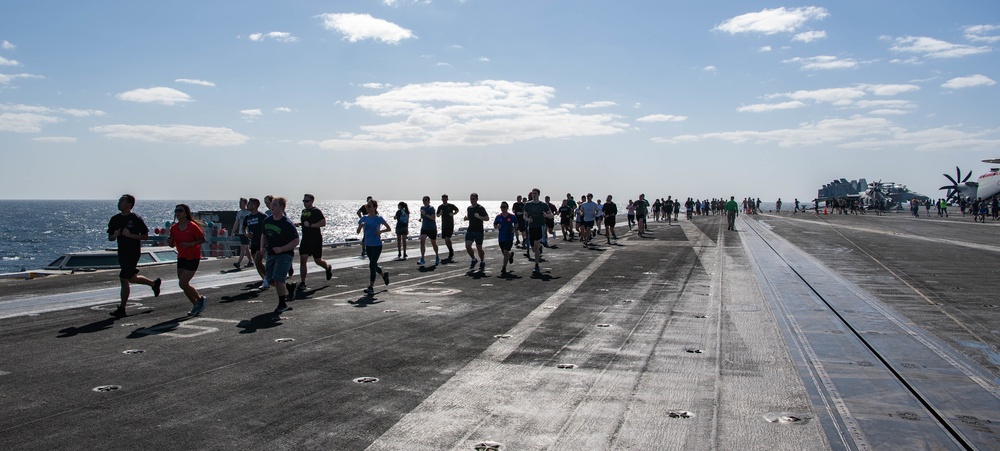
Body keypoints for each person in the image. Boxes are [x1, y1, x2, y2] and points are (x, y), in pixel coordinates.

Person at [106, 194, 161, 318]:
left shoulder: (135, 218)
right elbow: (110, 238)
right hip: (122, 252)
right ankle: (154, 284)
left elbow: (145, 236)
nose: (118, 203)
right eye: (119, 201)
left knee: (123, 278)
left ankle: (122, 308)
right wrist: (114, 235)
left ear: (129, 205)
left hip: (133, 252)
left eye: (121, 201)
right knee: (131, 278)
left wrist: (130, 235)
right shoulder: (115, 219)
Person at [261, 196, 299, 313]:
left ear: (282, 207)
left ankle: (282, 304)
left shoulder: (287, 223)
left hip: (284, 255)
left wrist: (282, 249)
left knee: (278, 278)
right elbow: (264, 235)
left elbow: (296, 241)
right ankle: (288, 287)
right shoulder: (267, 221)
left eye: (275, 205)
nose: (272, 206)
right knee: (271, 279)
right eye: (272, 204)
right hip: (271, 254)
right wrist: (262, 247)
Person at [168, 204, 207, 316]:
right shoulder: (174, 228)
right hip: (181, 256)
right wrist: (170, 243)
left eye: (180, 210)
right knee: (183, 284)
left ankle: (199, 299)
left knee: (183, 283)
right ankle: (195, 304)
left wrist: (191, 244)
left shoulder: (192, 226)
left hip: (193, 257)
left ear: (186, 213)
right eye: (176, 211)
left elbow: (203, 239)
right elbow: (173, 244)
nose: (178, 213)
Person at [296, 194, 333, 291]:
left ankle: (327, 268)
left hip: (315, 239)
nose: (305, 203)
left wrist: (311, 225)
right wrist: (299, 224)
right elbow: (305, 223)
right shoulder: (303, 212)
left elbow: (323, 223)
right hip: (305, 239)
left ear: (312, 201)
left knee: (317, 260)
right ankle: (303, 282)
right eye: (303, 201)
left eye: (307, 201)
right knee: (303, 259)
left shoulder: (316, 211)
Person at [357, 200, 391, 296]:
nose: (368, 208)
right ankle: (384, 275)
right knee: (374, 265)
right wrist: (360, 226)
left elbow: (389, 228)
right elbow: (358, 231)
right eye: (367, 206)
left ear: (375, 208)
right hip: (368, 245)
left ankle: (371, 287)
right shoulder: (364, 218)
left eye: (370, 206)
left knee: (371, 265)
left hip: (377, 245)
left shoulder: (379, 218)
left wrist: (380, 232)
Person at [523, 188, 553, 276]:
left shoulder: (543, 205)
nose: (534, 195)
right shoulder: (528, 204)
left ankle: (536, 266)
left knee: (536, 246)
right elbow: (524, 216)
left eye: (535, 193)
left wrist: (546, 215)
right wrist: (528, 219)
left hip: (540, 226)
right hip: (531, 227)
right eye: (533, 194)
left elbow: (551, 215)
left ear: (538, 195)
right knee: (533, 248)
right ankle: (539, 247)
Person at [242, 198, 269, 288]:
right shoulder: (247, 217)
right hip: (253, 243)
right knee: (257, 263)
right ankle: (265, 279)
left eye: (249, 204)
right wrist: (246, 234)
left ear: (254, 205)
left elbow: (268, 227)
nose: (247, 205)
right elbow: (243, 227)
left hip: (261, 242)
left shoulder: (262, 216)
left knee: (258, 261)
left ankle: (268, 279)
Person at [464, 193, 490, 272]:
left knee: (479, 248)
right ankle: (474, 259)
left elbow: (487, 218)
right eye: (471, 199)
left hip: (478, 231)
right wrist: (467, 218)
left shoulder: (480, 208)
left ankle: (482, 261)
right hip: (470, 230)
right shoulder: (469, 208)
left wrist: (479, 217)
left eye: (473, 199)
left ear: (477, 199)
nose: (472, 200)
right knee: (468, 246)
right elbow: (470, 217)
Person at [494, 201, 518, 274]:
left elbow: (516, 223)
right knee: (505, 253)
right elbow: (495, 225)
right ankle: (510, 255)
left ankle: (504, 267)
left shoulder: (512, 216)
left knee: (505, 251)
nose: (503, 209)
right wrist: (497, 226)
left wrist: (514, 229)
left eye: (504, 207)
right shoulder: (498, 217)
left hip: (509, 237)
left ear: (507, 208)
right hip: (501, 237)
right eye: (501, 207)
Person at [418, 195, 441, 266]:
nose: (424, 201)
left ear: (428, 201)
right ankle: (422, 258)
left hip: (432, 228)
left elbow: (433, 218)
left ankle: (437, 256)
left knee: (433, 243)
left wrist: (425, 214)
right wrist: (420, 218)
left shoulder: (431, 208)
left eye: (425, 200)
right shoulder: (422, 208)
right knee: (422, 241)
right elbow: (422, 216)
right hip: (424, 228)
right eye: (423, 200)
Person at [437, 194, 460, 262]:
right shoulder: (440, 207)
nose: (444, 200)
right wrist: (440, 214)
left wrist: (453, 214)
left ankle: (450, 251)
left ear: (447, 199)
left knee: (448, 238)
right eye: (443, 199)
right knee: (446, 240)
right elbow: (437, 215)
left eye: (445, 199)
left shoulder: (451, 206)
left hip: (450, 224)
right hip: (444, 224)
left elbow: (457, 210)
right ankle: (450, 249)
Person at [231, 198, 252, 269]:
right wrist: (233, 231)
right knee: (246, 248)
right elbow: (236, 222)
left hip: (246, 232)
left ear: (246, 204)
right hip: (241, 232)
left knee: (243, 247)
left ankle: (238, 262)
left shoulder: (248, 212)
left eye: (242, 203)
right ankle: (250, 261)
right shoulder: (239, 212)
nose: (240, 204)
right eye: (240, 203)